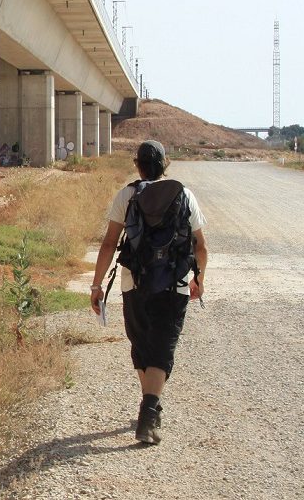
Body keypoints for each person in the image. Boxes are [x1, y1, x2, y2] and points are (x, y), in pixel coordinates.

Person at [90, 140, 208, 445]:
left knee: (142, 344)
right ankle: (150, 409)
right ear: (165, 164)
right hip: (175, 283)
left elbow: (108, 243)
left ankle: (149, 408)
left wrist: (97, 284)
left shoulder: (127, 195)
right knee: (162, 346)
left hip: (135, 281)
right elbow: (200, 245)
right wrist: (200, 279)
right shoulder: (184, 195)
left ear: (137, 164)